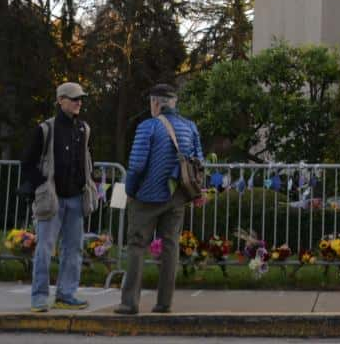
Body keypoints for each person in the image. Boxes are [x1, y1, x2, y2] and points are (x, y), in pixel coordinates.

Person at [116, 83, 203, 316]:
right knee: (170, 247)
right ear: (173, 102)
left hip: (147, 196)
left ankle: (129, 302)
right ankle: (164, 303)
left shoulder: (148, 127)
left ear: (155, 103)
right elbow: (199, 162)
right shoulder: (190, 127)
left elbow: (136, 166)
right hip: (177, 197)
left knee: (136, 245)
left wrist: (131, 191)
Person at [20, 82, 98, 313]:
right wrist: (42, 185)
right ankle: (39, 297)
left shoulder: (83, 129)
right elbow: (27, 163)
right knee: (44, 248)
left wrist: (90, 183)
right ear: (60, 100)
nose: (78, 102)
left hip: (76, 198)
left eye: (80, 99)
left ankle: (66, 294)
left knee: (74, 249)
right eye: (74, 98)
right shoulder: (45, 129)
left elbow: (86, 160)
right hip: (52, 199)